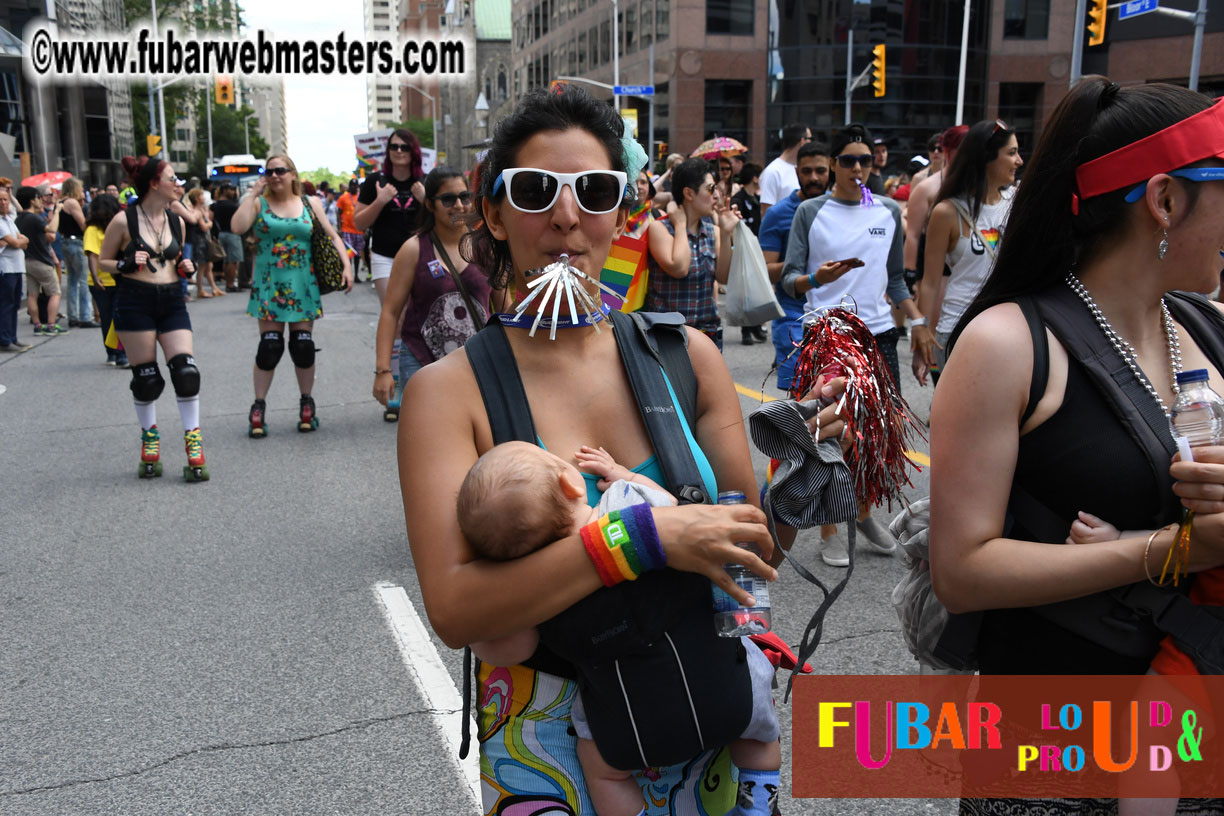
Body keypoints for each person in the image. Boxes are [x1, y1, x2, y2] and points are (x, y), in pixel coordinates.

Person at [397, 84, 848, 816]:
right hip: (551, 745)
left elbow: (747, 548)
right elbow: (455, 608)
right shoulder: (449, 393)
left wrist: (803, 474)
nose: (567, 216)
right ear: (495, 212)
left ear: (620, 211)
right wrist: (638, 538)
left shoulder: (686, 355)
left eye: (594, 190)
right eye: (538, 190)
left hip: (701, 708)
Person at [930, 78, 1224, 816]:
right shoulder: (1008, 344)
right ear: (1164, 200)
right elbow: (962, 571)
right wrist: (1174, 549)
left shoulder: (1206, 324)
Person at [458, 441, 781, 816]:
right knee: (759, 734)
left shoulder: (542, 589)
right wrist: (625, 475)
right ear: (572, 483)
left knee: (604, 771)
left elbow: (509, 648)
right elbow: (675, 514)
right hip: (728, 694)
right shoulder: (626, 502)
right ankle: (756, 803)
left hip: (628, 729)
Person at [781, 123, 924, 566]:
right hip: (829, 334)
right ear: (835, 166)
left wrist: (917, 321)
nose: (858, 167)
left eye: (865, 159)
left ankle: (860, 514)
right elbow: (789, 281)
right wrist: (816, 279)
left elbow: (896, 279)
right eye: (848, 160)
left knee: (876, 436)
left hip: (879, 335)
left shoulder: (885, 211)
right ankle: (828, 528)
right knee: (829, 433)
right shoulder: (811, 212)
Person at [229, 154, 353, 438]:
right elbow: (237, 226)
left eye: (280, 171)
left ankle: (306, 403)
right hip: (270, 284)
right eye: (269, 171)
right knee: (269, 347)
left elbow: (333, 236)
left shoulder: (311, 203)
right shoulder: (259, 203)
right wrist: (252, 193)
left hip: (303, 284)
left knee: (302, 346)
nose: (274, 176)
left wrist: (346, 266)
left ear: (293, 174)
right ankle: (258, 406)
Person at [98, 156, 205, 480]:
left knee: (186, 372)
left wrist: (187, 268)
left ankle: (193, 441)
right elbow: (103, 261)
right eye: (174, 178)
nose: (179, 184)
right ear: (155, 183)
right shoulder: (123, 221)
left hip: (172, 300)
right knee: (145, 379)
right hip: (135, 302)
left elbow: (176, 260)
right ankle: (150, 438)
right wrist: (125, 263)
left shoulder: (177, 221)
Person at [372, 166, 491, 422]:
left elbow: (504, 308)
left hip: (479, 363)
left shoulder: (485, 247)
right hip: (422, 362)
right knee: (430, 442)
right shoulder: (413, 249)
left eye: (464, 197)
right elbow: (391, 312)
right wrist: (383, 370)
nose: (458, 205)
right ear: (430, 204)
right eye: (448, 199)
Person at [912, 120, 1022, 386]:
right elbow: (930, 282)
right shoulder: (946, 211)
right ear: (986, 158)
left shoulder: (1018, 202)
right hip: (958, 329)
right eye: (1011, 153)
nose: (1019, 160)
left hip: (1009, 328)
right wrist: (922, 334)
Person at [643, 157, 739, 350]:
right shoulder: (660, 228)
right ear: (688, 193)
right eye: (710, 189)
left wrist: (727, 231)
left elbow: (724, 277)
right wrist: (680, 226)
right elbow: (679, 268)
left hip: (707, 334)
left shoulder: (714, 232)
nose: (716, 196)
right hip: (668, 335)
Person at [759, 141, 830, 390]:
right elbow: (765, 269)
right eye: (807, 171)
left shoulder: (839, 209)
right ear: (797, 172)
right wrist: (800, 263)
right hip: (793, 317)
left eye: (820, 171)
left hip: (834, 316)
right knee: (801, 404)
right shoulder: (778, 214)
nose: (813, 178)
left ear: (831, 170)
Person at [354, 129, 427, 306]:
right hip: (384, 256)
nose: (399, 151)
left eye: (405, 147)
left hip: (420, 256)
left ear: (413, 151)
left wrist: (425, 200)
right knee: (393, 311)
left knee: (415, 313)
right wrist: (380, 201)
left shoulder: (426, 181)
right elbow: (359, 223)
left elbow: (443, 220)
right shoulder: (375, 181)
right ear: (388, 151)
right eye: (394, 146)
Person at [15, 186, 66, 336]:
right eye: (38, 197)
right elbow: (51, 229)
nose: (40, 200)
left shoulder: (19, 218)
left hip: (27, 260)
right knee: (55, 292)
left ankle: (37, 324)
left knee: (32, 294)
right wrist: (57, 212)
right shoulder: (34, 218)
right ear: (32, 200)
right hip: (41, 260)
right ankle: (51, 324)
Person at [84, 193, 127, 366]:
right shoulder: (92, 230)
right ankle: (112, 352)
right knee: (107, 317)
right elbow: (92, 255)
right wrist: (95, 277)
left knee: (118, 316)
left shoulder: (118, 227)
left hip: (118, 278)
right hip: (100, 281)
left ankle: (120, 352)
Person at [59, 177, 96, 328]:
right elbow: (83, 225)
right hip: (76, 242)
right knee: (83, 280)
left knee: (72, 280)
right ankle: (85, 316)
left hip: (66, 241)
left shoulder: (61, 202)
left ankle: (73, 315)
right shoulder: (72, 203)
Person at [0, 187, 31, 352]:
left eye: (5, 199)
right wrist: (18, 242)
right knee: (6, 304)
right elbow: (16, 243)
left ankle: (12, 337)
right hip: (5, 269)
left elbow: (23, 241)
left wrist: (19, 241)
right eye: (0, 200)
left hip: (17, 267)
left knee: (15, 304)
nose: (4, 203)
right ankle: (4, 340)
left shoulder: (9, 220)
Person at [759, 123, 811, 217]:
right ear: (802, 141)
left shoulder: (805, 169)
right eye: (810, 139)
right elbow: (766, 214)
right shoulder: (772, 172)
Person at [185, 188, 221, 298]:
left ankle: (214, 288)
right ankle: (200, 290)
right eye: (201, 196)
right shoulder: (197, 211)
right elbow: (205, 227)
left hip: (204, 241)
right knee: (202, 266)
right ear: (196, 198)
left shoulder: (201, 210)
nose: (204, 198)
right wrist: (209, 223)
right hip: (200, 242)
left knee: (208, 265)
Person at [210, 183, 243, 292]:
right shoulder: (233, 205)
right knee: (233, 261)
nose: (234, 192)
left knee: (225, 260)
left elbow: (211, 219)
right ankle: (230, 284)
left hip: (220, 234)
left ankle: (227, 282)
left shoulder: (215, 205)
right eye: (232, 189)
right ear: (225, 190)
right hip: (232, 234)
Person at [336, 179, 364, 281]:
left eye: (354, 185)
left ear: (357, 186)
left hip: (359, 230)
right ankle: (348, 275)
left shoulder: (361, 197)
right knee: (348, 254)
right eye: (351, 185)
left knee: (357, 255)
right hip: (346, 230)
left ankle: (356, 275)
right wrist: (339, 228)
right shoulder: (343, 198)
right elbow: (338, 213)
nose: (353, 187)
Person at [624, 168, 659, 240]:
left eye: (643, 182)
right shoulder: (616, 216)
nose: (639, 186)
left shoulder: (658, 216)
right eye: (634, 182)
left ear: (649, 187)